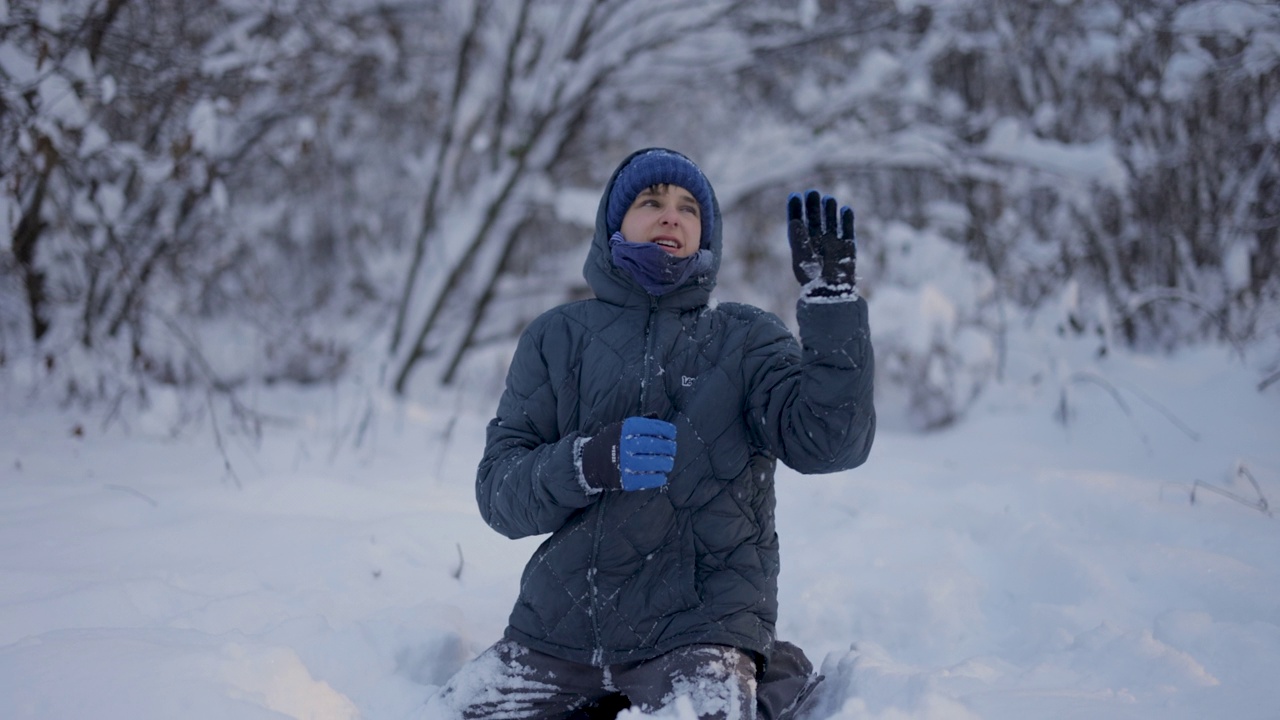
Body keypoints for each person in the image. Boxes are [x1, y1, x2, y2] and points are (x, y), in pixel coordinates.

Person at [426, 147, 875, 719]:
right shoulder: (555, 338)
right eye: (651, 201)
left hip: (700, 626)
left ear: (703, 235)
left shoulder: (746, 339)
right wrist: (585, 463)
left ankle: (756, 677)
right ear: (614, 223)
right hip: (559, 629)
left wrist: (832, 315)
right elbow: (499, 496)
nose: (672, 216)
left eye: (689, 208)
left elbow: (830, 445)